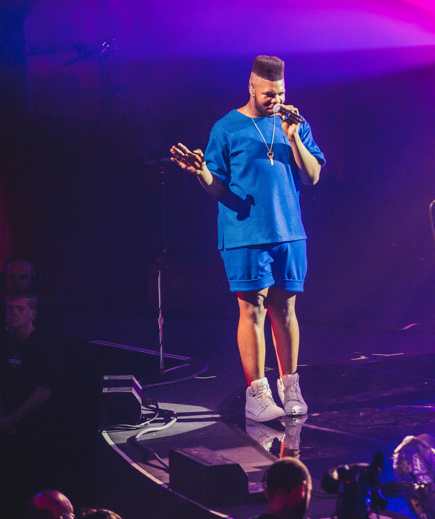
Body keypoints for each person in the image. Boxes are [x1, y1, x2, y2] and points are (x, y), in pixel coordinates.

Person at [170, 55, 325, 421]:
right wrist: (202, 172)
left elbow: (312, 176)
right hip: (245, 233)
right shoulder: (226, 128)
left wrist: (293, 138)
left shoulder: (294, 123)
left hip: (289, 232)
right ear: (252, 88)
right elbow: (217, 187)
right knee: (252, 309)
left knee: (285, 310)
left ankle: (290, 387)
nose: (277, 100)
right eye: (269, 94)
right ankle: (257, 394)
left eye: (281, 93)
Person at [0, 291, 64, 518]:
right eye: (10, 309)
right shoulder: (4, 343)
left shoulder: (44, 346)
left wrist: (12, 418)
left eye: (20, 309)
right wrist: (1, 418)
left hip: (34, 432)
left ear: (32, 313)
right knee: (4, 487)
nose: (13, 313)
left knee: (30, 490)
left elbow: (43, 392)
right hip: (7, 430)